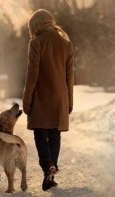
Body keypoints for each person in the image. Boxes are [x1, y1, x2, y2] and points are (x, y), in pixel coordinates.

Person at [22, 9, 74, 191]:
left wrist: (27, 100)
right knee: (54, 134)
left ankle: (48, 166)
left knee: (39, 133)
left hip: (41, 95)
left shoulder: (36, 42)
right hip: (60, 96)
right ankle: (50, 175)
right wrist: (69, 102)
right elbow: (69, 77)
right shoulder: (65, 43)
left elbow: (32, 75)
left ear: (35, 25)